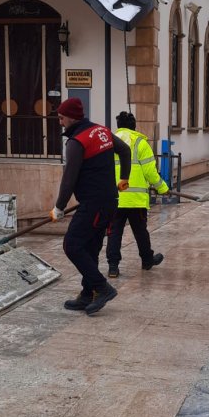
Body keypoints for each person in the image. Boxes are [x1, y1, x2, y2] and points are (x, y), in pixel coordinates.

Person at [50, 98, 132, 316]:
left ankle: (102, 288)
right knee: (90, 248)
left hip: (93, 204)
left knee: (72, 245)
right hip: (109, 201)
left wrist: (59, 207)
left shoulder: (77, 142)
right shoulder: (101, 131)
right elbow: (125, 151)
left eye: (61, 118)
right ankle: (87, 294)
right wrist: (124, 178)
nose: (60, 122)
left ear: (71, 117)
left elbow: (70, 178)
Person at [106, 111, 169, 278]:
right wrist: (163, 188)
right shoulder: (140, 143)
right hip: (135, 200)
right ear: (134, 127)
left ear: (118, 126)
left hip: (115, 198)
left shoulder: (109, 143)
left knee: (114, 232)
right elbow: (150, 172)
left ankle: (113, 267)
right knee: (140, 231)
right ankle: (147, 260)